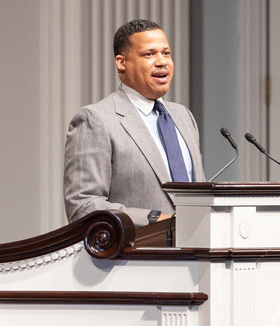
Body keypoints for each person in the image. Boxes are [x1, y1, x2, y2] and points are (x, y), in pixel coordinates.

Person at [63, 19, 205, 226]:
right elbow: (82, 206)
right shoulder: (96, 119)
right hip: (136, 255)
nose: (162, 61)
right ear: (121, 62)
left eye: (166, 53)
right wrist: (154, 219)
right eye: (149, 54)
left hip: (193, 253)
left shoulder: (183, 116)